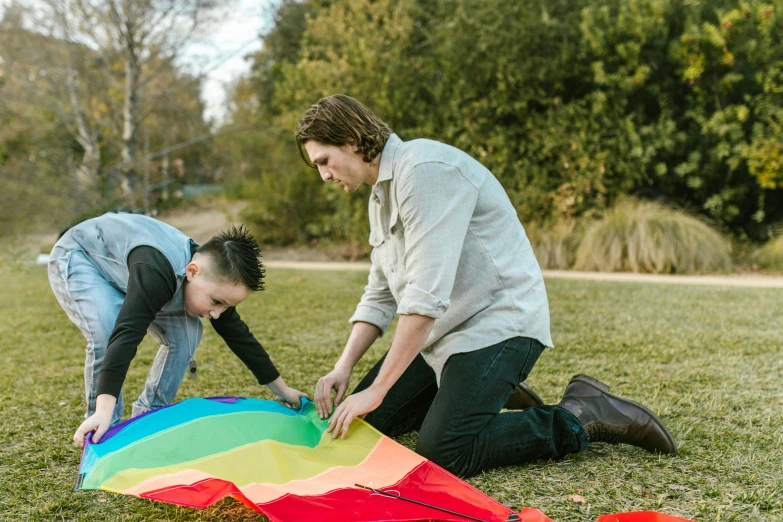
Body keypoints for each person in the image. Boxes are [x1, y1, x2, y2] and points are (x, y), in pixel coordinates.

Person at [295, 94, 676, 478]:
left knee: (443, 449)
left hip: (500, 327)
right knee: (366, 429)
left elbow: (424, 298)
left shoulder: (425, 170)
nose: (324, 175)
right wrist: (343, 368)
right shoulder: (379, 197)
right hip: (442, 339)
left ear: (352, 139)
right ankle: (480, 392)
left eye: (324, 161)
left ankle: (581, 412)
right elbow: (379, 294)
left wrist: (377, 389)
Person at [48, 212, 307, 445]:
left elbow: (240, 336)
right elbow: (126, 333)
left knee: (189, 331)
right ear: (193, 271)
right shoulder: (155, 272)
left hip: (131, 272)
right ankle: (104, 429)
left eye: (225, 307)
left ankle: (149, 416)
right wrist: (104, 409)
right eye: (216, 302)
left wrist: (283, 391)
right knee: (107, 330)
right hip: (83, 256)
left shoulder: (211, 282)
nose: (216, 313)